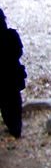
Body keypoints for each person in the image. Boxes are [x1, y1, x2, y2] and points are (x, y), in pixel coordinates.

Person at [0, 8, 26, 138]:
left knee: (5, 104)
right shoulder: (12, 34)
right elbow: (19, 52)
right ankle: (17, 128)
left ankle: (14, 128)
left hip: (1, 76)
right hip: (14, 72)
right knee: (15, 101)